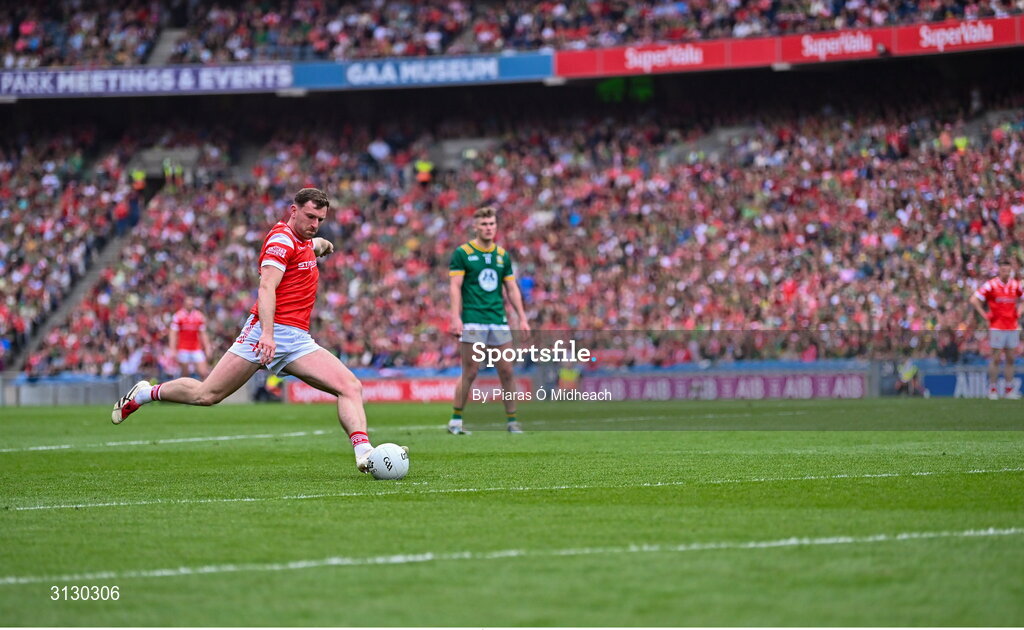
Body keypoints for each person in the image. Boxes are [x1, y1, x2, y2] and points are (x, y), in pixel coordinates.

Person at [111, 188, 399, 473]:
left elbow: (314, 247)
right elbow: (266, 287)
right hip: (264, 332)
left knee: (350, 387)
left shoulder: (306, 240)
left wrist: (323, 244)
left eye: (320, 220)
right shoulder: (280, 241)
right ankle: (145, 394)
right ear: (293, 210)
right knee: (207, 395)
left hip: (298, 340)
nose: (314, 224)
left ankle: (364, 454)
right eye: (310, 217)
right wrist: (268, 334)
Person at [448, 206, 529, 434]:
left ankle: (512, 421)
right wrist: (455, 318)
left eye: (491, 224)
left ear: (496, 226)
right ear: (475, 226)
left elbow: (511, 288)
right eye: (484, 224)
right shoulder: (462, 253)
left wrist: (522, 318)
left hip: (498, 320)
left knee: (507, 371)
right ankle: (456, 420)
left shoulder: (502, 255)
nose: (488, 228)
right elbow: (455, 287)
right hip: (473, 319)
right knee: (471, 371)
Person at [970, 258, 1023, 400]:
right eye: (1003, 270)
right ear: (999, 270)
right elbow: (974, 299)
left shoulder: (1015, 285)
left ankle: (1008, 389)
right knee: (996, 358)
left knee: (1011, 358)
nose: (1006, 272)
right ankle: (992, 389)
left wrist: (1019, 312)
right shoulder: (991, 285)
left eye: (1008, 270)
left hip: (1012, 326)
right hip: (997, 326)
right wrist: (985, 315)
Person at [170, 296, 212, 378]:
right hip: (183, 348)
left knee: (204, 372)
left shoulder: (199, 316)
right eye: (187, 303)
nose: (189, 305)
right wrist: (172, 349)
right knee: (185, 374)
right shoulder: (178, 316)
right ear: (184, 304)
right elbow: (173, 333)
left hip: (196, 348)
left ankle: (204, 390)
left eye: (191, 303)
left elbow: (203, 334)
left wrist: (207, 347)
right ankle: (183, 390)